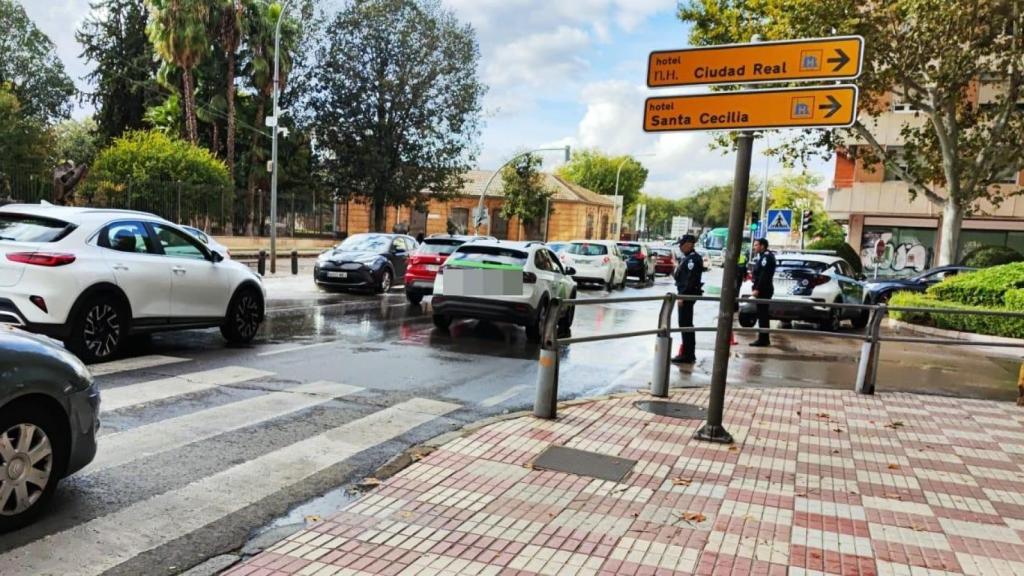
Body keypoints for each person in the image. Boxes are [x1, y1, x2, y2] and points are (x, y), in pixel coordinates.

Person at [672, 234, 703, 364]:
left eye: (682, 244)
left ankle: (688, 354)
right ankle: (688, 353)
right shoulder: (688, 258)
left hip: (687, 295)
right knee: (684, 324)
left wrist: (683, 296)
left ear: (689, 244)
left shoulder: (692, 259)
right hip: (685, 294)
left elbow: (690, 280)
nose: (680, 247)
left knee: (686, 324)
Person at [750, 238, 776, 347]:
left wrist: (757, 289)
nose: (754, 247)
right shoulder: (762, 256)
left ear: (762, 246)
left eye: (756, 245)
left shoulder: (766, 257)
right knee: (762, 315)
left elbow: (764, 275)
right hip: (762, 289)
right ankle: (763, 338)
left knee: (763, 315)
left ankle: (763, 339)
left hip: (764, 290)